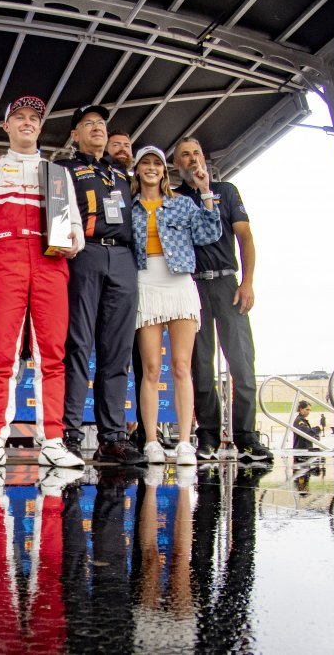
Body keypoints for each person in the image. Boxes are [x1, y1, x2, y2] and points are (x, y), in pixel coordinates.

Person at [0, 96, 85, 468]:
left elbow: (74, 224)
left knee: (51, 354)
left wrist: (74, 241)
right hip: (5, 257)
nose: (27, 122)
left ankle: (53, 440)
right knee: (2, 353)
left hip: (49, 262)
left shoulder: (56, 172)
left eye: (33, 118)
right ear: (6, 126)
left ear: (40, 127)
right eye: (19, 117)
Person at [173, 137, 274, 462]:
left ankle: (247, 437)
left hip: (228, 284)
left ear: (204, 158)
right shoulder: (174, 198)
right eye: (185, 155)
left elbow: (245, 236)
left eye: (196, 153)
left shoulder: (226, 191)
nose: (192, 159)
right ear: (176, 164)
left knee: (242, 361)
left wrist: (248, 282)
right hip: (193, 287)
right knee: (200, 365)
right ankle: (208, 437)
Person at [57, 105, 143, 464]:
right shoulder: (64, 168)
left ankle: (113, 437)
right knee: (78, 345)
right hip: (84, 254)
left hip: (123, 257)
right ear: (75, 134)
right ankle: (69, 434)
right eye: (88, 124)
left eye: (101, 124)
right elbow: (57, 215)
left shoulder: (121, 174)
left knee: (117, 351)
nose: (97, 128)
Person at [130, 146, 221, 466]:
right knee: (151, 369)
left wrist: (205, 191)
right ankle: (151, 441)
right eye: (145, 163)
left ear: (163, 171)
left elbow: (210, 233)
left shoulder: (182, 203)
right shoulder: (129, 206)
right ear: (138, 170)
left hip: (180, 283)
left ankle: (184, 441)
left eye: (157, 163)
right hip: (146, 284)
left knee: (182, 366)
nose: (151, 168)